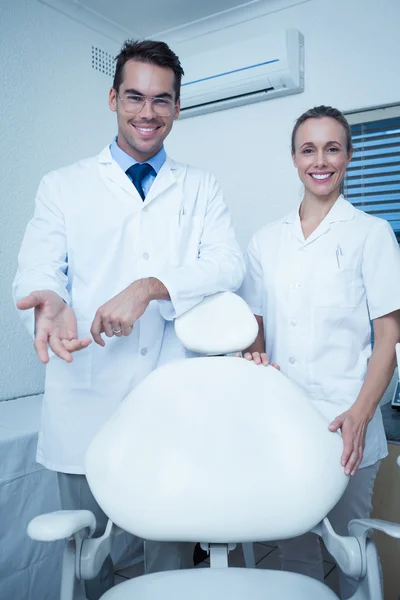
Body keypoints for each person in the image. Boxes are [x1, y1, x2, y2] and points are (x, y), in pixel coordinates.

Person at [13, 39, 245, 599]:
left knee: (167, 558)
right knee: (90, 562)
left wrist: (151, 287)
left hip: (168, 402)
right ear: (113, 97)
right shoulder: (62, 185)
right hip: (84, 397)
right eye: (135, 97)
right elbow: (36, 271)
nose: (148, 112)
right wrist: (49, 299)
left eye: (162, 100)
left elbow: (228, 265)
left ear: (178, 107)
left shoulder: (200, 186)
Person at [239, 105, 400, 599]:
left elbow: (388, 336)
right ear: (294, 159)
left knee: (352, 551)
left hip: (349, 421)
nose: (320, 160)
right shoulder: (266, 241)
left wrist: (360, 412)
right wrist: (255, 357)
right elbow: (255, 327)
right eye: (308, 149)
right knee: (294, 550)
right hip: (286, 421)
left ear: (349, 156)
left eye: (333, 148)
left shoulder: (371, 234)